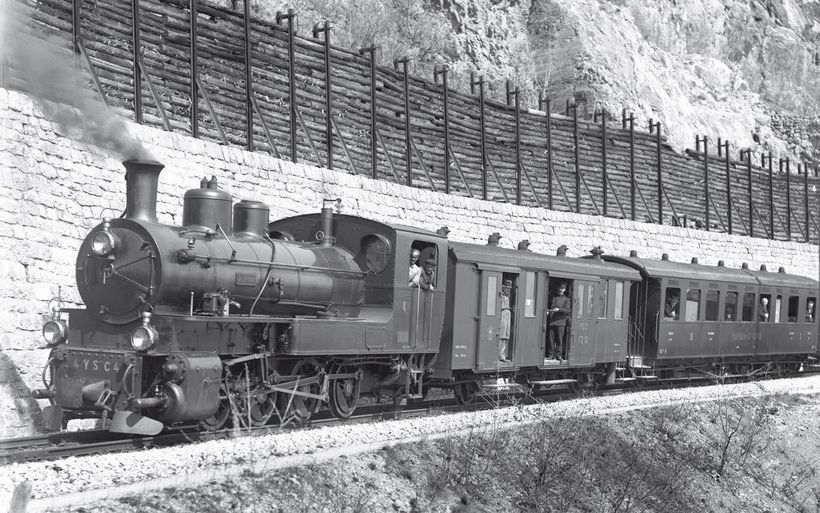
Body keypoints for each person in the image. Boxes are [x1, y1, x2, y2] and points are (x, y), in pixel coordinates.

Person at [547, 282, 571, 361]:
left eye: (562, 289)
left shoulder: (567, 299)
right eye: (560, 288)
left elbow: (567, 310)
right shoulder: (554, 298)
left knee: (559, 340)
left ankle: (558, 355)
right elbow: (551, 307)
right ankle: (551, 355)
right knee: (551, 340)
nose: (560, 290)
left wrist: (559, 309)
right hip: (552, 321)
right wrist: (549, 311)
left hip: (560, 322)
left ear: (564, 290)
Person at [499, 280, 512, 363]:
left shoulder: (507, 297)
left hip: (507, 316)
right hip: (503, 315)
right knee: (501, 335)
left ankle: (502, 355)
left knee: (506, 336)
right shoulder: (501, 296)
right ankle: (499, 355)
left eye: (509, 288)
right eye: (507, 288)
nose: (508, 290)